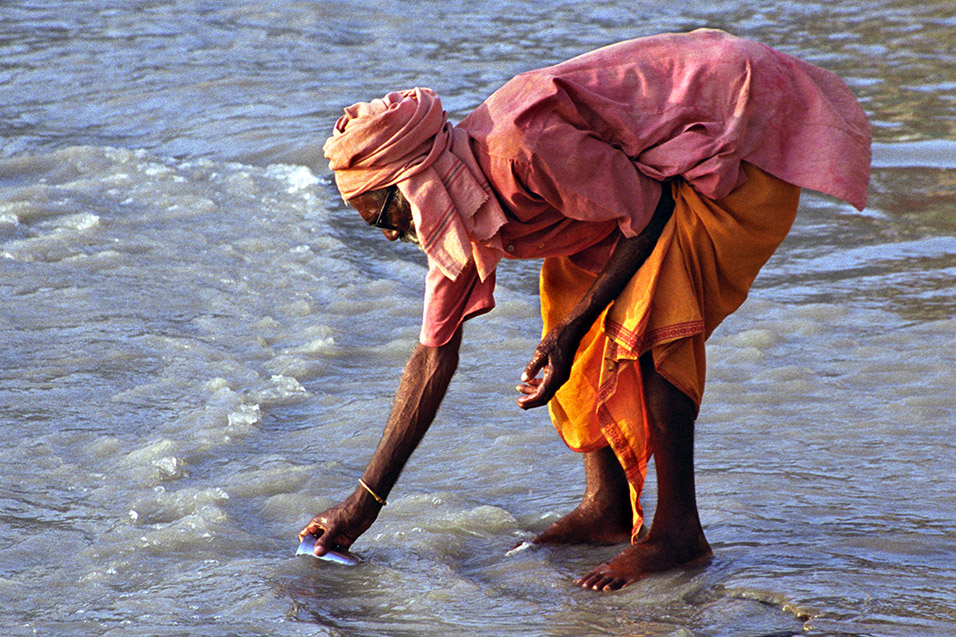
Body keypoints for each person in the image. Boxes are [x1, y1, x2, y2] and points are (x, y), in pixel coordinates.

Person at [299, 28, 871, 591]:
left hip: (735, 128)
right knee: (566, 297)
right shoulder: (454, 203)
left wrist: (576, 332)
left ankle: (679, 532)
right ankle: (608, 510)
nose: (393, 237)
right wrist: (363, 504)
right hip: (648, 177)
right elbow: (431, 358)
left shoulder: (520, 149)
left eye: (385, 219)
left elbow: (647, 214)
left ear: (414, 185)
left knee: (649, 313)